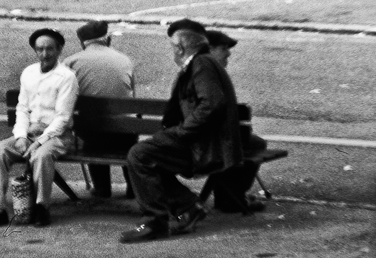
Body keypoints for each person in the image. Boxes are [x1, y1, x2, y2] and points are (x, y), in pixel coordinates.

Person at [120, 26, 243, 243]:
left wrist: (183, 131)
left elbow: (212, 103)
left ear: (179, 48)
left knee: (139, 154)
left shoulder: (201, 64)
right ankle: (188, 206)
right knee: (148, 156)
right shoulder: (200, 64)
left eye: (172, 47)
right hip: (202, 143)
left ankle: (155, 223)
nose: (172, 52)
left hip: (205, 146)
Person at [0, 28, 78, 229]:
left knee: (41, 155)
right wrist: (20, 136)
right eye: (40, 49)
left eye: (50, 49)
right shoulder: (28, 73)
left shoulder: (67, 77)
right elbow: (22, 109)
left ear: (59, 49)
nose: (44, 54)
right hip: (29, 133)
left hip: (57, 136)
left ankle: (41, 208)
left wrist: (39, 142)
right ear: (34, 50)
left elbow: (62, 118)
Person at [63, 20, 136, 198]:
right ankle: (134, 188)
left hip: (93, 133)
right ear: (108, 39)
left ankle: (102, 188)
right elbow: (133, 98)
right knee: (126, 126)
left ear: (82, 43)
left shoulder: (71, 62)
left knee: (90, 125)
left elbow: (64, 100)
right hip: (124, 133)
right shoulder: (125, 60)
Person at [206, 29, 266, 213]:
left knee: (237, 142)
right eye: (223, 48)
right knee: (255, 144)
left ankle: (227, 195)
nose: (228, 53)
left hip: (200, 140)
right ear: (209, 50)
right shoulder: (210, 76)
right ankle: (233, 197)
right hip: (207, 144)